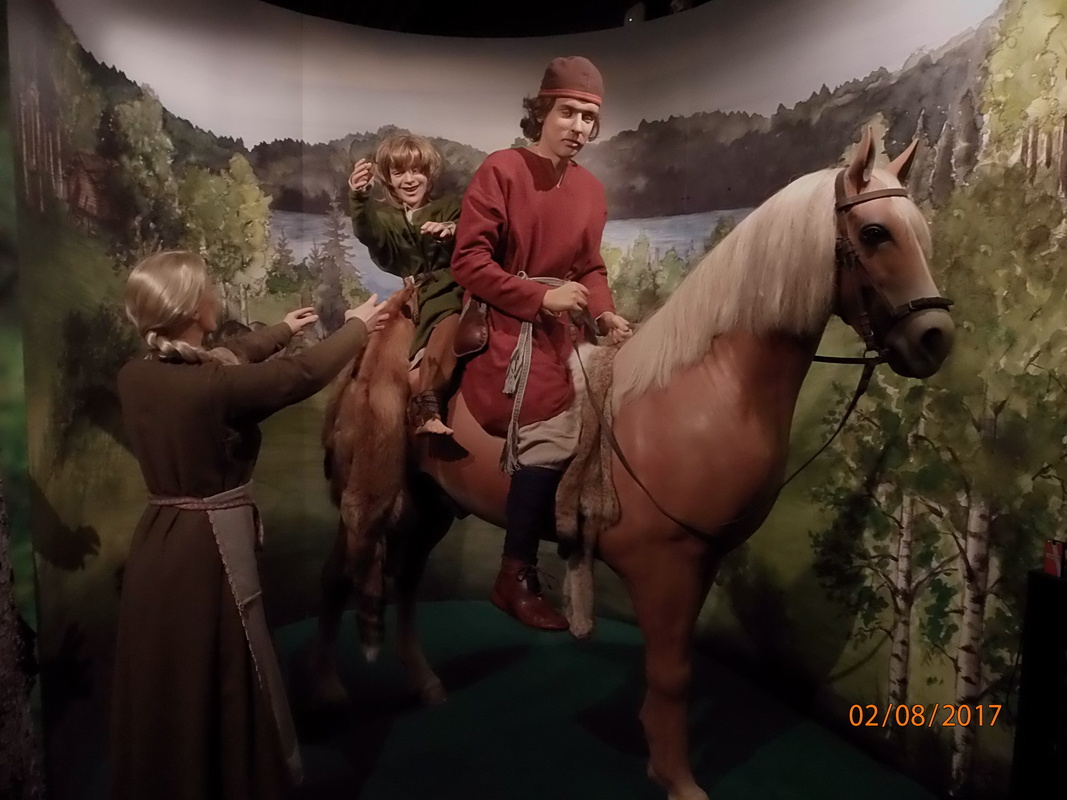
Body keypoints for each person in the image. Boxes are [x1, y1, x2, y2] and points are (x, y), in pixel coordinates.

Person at [109, 250, 388, 800]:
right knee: (231, 668)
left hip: (159, 545)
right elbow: (297, 377)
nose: (215, 295)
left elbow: (227, 359)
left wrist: (283, 330)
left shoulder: (136, 376)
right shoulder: (213, 390)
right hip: (209, 551)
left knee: (175, 674)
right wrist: (358, 327)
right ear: (191, 306)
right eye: (207, 288)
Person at [450, 56, 632, 631]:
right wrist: (540, 297)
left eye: (589, 118)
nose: (579, 127)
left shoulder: (591, 190)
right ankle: (514, 574)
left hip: (565, 327)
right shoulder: (501, 170)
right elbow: (468, 262)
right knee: (552, 431)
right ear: (543, 112)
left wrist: (604, 314)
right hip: (507, 324)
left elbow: (590, 268)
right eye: (568, 113)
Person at [348, 132, 464, 435]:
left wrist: (451, 230)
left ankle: (427, 403)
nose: (409, 180)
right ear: (388, 179)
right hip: (412, 294)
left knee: (449, 320)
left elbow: (472, 227)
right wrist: (359, 197)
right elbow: (368, 232)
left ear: (429, 173)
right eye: (399, 172)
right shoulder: (386, 217)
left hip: (448, 288)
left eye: (416, 171)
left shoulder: (450, 205)